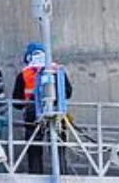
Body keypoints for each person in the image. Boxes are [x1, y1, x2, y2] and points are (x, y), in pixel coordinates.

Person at [12, 42, 73, 175]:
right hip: (57, 111)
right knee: (59, 146)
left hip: (33, 112)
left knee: (34, 146)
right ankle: (62, 173)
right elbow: (68, 92)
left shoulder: (25, 73)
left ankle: (35, 173)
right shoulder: (57, 70)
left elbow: (16, 103)